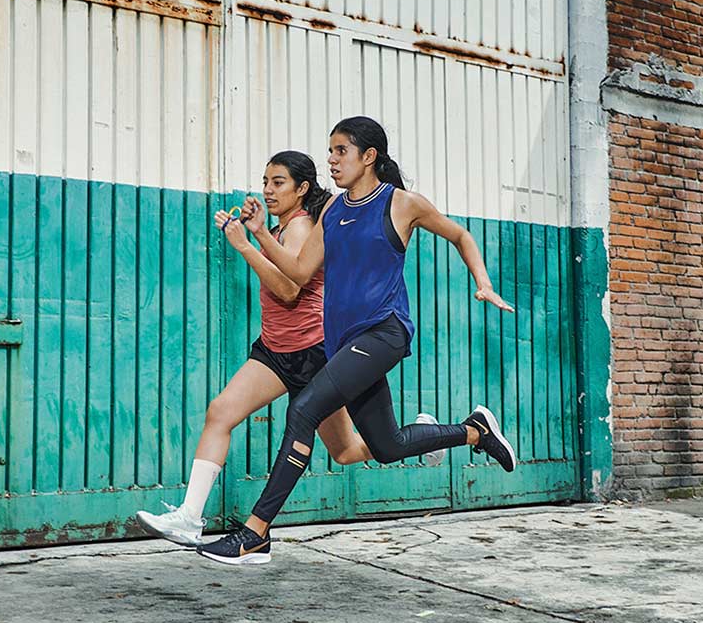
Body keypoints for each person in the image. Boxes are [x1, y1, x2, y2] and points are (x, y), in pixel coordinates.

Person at [196, 117, 516, 566]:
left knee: (304, 408)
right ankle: (474, 431)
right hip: (344, 341)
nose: (331, 159)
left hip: (384, 331)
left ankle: (254, 535)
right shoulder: (332, 211)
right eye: (330, 151)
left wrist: (482, 282)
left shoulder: (401, 204)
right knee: (385, 446)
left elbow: (460, 235)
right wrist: (261, 236)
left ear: (369, 157)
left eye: (340, 151)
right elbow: (301, 272)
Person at [135, 150, 444, 548]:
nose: (267, 190)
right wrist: (259, 231)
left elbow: (288, 290)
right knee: (222, 413)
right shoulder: (280, 229)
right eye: (265, 182)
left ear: (302, 189)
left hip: (313, 354)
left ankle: (423, 437)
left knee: (347, 451)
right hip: (274, 350)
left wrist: (246, 245)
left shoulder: (301, 228)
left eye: (277, 183)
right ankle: (190, 517)